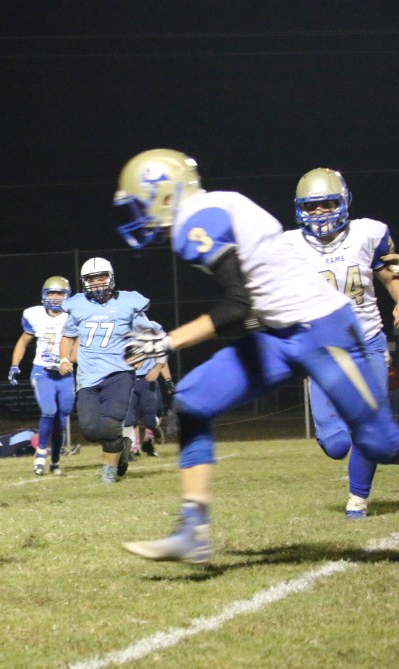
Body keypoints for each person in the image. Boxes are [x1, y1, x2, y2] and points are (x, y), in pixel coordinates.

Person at [113, 148, 399, 564]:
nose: (139, 215)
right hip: (279, 334)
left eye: (141, 203)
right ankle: (193, 530)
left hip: (324, 331)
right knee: (193, 400)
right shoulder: (217, 205)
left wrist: (168, 341)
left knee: (381, 443)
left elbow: (237, 304)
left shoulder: (198, 221)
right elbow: (254, 300)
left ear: (165, 195)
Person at [281, 168, 399, 518]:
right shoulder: (288, 245)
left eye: (327, 204)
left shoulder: (369, 233)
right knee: (335, 444)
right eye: (311, 206)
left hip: (367, 343)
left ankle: (357, 500)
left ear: (343, 202)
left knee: (367, 426)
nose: (319, 212)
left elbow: (391, 276)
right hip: (322, 350)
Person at [58, 258, 161, 484]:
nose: (96, 283)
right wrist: (64, 358)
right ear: (84, 282)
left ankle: (109, 471)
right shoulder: (78, 305)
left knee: (110, 424)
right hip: (87, 377)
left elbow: (149, 333)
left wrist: (142, 354)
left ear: (111, 278)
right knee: (90, 430)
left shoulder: (128, 302)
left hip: (119, 373)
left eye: (101, 278)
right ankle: (123, 447)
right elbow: (67, 336)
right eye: (91, 279)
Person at [9, 276, 76, 475]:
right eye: (51, 293)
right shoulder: (34, 315)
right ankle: (40, 454)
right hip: (43, 371)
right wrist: (14, 365)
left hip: (65, 374)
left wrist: (67, 361)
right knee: (48, 411)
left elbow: (79, 345)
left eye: (60, 293)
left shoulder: (73, 316)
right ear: (44, 295)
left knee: (61, 420)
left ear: (67, 296)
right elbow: (23, 342)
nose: (55, 297)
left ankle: (55, 461)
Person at [123, 356, 173, 458]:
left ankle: (148, 441)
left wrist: (168, 380)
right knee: (130, 416)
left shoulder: (151, 345)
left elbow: (161, 358)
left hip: (148, 380)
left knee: (156, 413)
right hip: (128, 380)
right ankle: (133, 448)